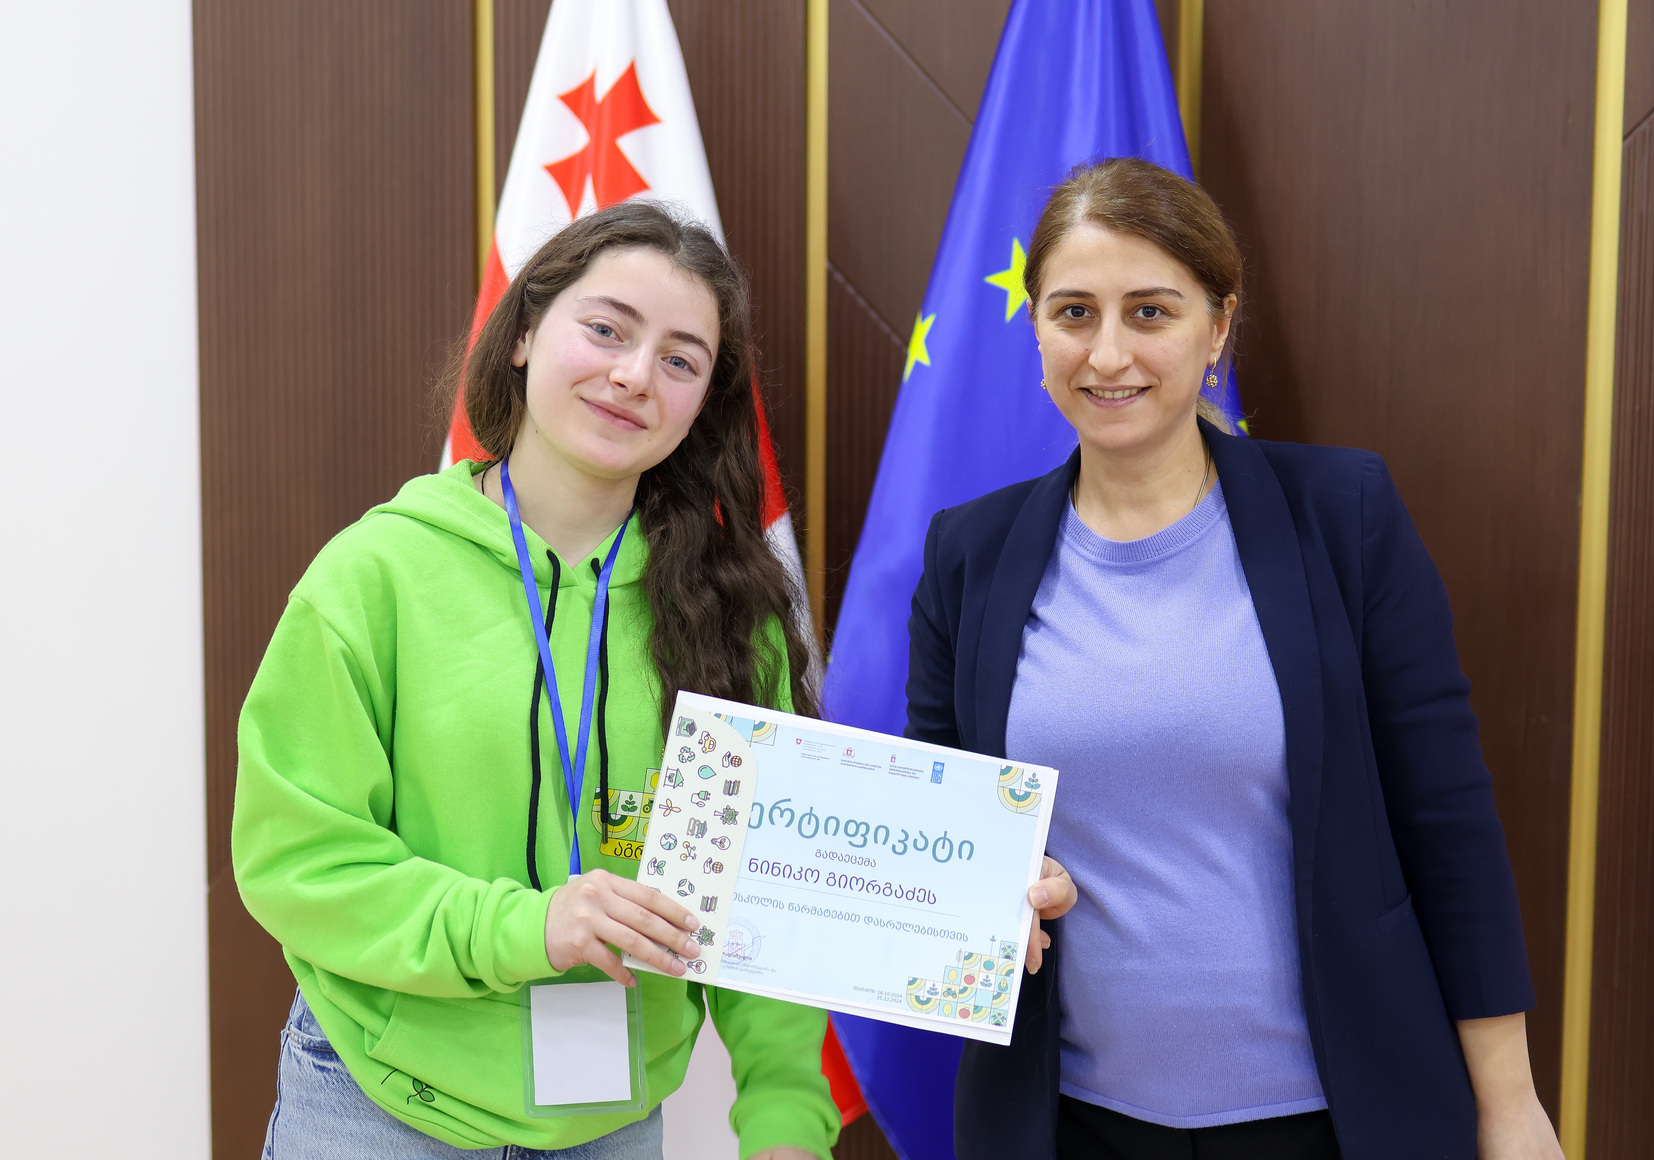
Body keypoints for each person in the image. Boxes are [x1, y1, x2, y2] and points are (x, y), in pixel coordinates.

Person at [905, 159, 1563, 1160]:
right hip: (1066, 1121)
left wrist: (1509, 1104)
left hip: (1332, 1122)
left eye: (1151, 312)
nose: (1109, 352)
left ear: (1218, 327)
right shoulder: (969, 553)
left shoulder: (1344, 517)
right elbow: (937, 826)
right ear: (1035, 328)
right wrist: (986, 885)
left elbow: (1447, 820)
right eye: (1074, 312)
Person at [233, 201, 837, 1160]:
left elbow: (760, 897)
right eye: (607, 330)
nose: (635, 375)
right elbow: (299, 865)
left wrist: (785, 1123)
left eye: (681, 361)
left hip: (612, 1127)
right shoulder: (376, 576)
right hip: (380, 1103)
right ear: (522, 334)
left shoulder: (731, 612)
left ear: (701, 406)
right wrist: (530, 928)